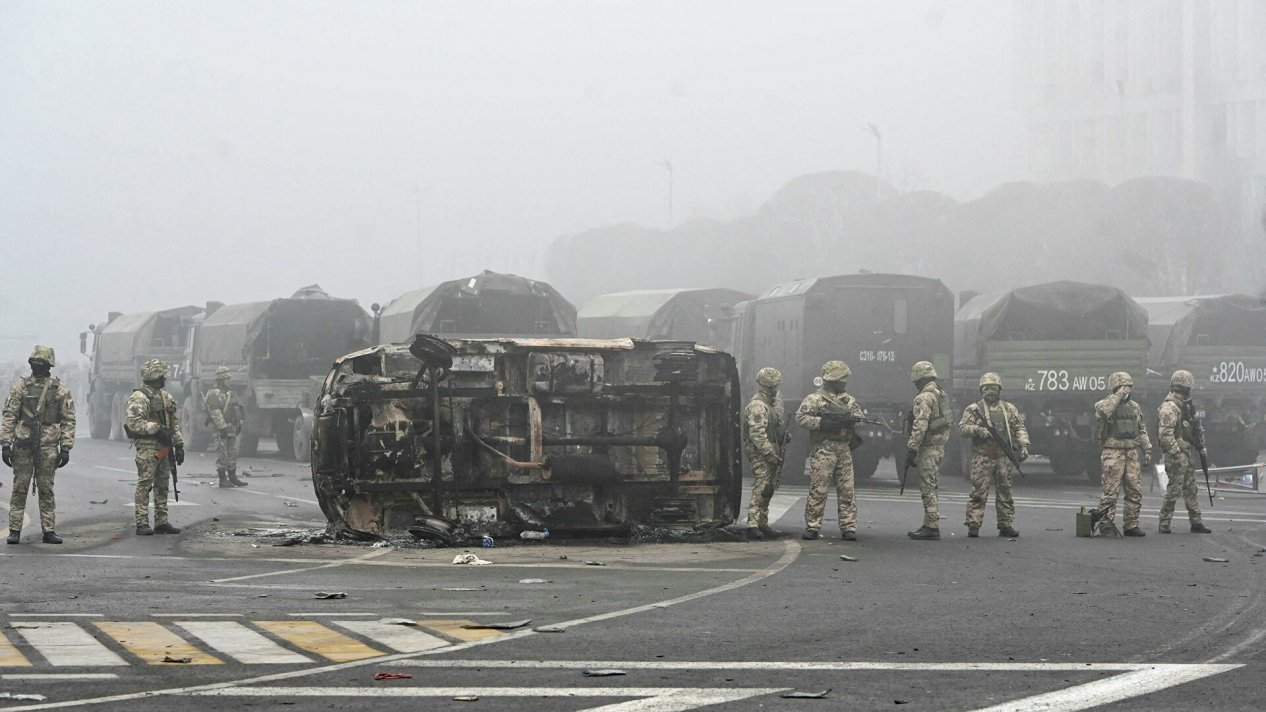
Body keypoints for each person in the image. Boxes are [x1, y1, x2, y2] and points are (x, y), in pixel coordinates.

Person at [1, 346, 75, 545]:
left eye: (40, 365)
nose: (37, 368)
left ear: (48, 366)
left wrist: (66, 447)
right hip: (24, 444)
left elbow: (68, 419)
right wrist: (5, 444)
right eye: (35, 364)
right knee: (20, 487)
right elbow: (9, 416)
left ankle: (48, 530)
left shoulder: (59, 390)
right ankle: (15, 530)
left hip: (48, 446)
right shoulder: (20, 387)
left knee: (46, 489)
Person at [795, 360, 865, 541]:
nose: (844, 382)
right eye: (840, 379)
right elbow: (801, 418)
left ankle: (849, 527)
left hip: (843, 449)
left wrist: (851, 420)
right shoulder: (815, 399)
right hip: (823, 449)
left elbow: (861, 418)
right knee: (818, 489)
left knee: (847, 490)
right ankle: (812, 526)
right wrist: (822, 422)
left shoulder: (848, 401)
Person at [957, 372, 1029, 538]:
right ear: (981, 390)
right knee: (978, 492)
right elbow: (962, 428)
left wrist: (1024, 446)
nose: (990, 391)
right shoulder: (974, 409)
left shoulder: (1009, 409)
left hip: (1003, 457)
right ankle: (973, 524)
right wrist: (979, 430)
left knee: (1005, 492)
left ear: (999, 389)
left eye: (993, 388)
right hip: (982, 456)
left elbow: (1019, 428)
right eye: (987, 388)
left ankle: (1005, 524)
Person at [126, 359, 185, 536]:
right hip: (147, 447)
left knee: (163, 484)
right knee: (145, 484)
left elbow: (173, 423)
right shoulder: (139, 397)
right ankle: (142, 522)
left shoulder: (166, 397)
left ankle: (161, 521)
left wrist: (179, 444)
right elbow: (134, 423)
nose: (164, 379)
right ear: (153, 376)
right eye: (161, 375)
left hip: (165, 448)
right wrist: (156, 429)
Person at [1091, 372, 1153, 537]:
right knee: (1111, 491)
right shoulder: (1103, 404)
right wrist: (1117, 395)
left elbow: (1141, 430)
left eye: (1129, 387)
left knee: (1135, 490)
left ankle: (1131, 525)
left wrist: (1147, 449)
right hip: (1113, 452)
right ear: (1115, 388)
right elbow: (1106, 411)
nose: (1127, 390)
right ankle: (1106, 525)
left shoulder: (1135, 407)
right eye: (1123, 387)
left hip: (1131, 452)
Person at [1156, 369, 1211, 534]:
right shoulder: (1170, 407)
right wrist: (1176, 453)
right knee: (1174, 489)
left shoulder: (1184, 406)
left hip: (1185, 452)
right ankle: (1164, 522)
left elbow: (1192, 430)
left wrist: (1200, 445)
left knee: (1190, 488)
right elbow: (1165, 435)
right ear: (1185, 387)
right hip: (1178, 455)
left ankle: (1196, 522)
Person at [905, 361, 951, 540]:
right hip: (939, 445)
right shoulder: (940, 393)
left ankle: (932, 527)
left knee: (927, 486)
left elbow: (920, 424)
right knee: (932, 483)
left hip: (929, 446)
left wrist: (912, 448)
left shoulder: (924, 397)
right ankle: (929, 524)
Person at [743, 367, 786, 540]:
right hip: (761, 453)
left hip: (770, 450)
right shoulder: (757, 406)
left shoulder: (769, 406)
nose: (776, 390)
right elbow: (757, 433)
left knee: (768, 488)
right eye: (773, 386)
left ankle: (762, 522)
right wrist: (769, 453)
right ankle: (752, 524)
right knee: (762, 486)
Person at [204, 367, 246, 488]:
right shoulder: (214, 393)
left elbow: (237, 408)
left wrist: (239, 423)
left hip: (232, 426)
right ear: (221, 379)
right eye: (227, 378)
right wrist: (222, 428)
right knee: (222, 453)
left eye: (229, 378)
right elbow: (215, 412)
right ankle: (223, 479)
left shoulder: (230, 392)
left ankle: (232, 477)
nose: (229, 380)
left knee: (232, 452)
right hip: (221, 428)